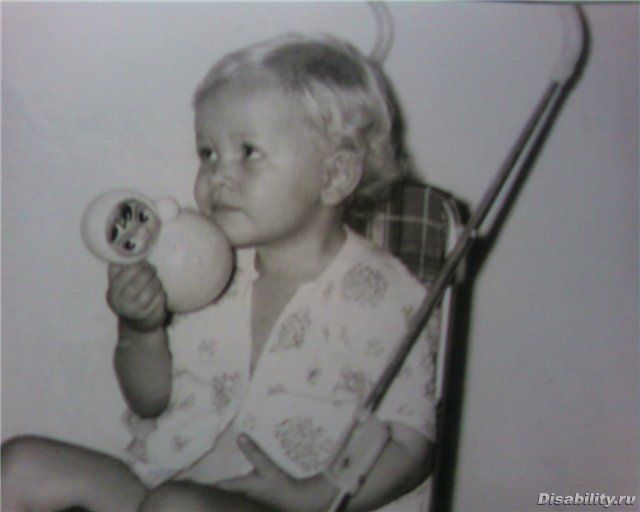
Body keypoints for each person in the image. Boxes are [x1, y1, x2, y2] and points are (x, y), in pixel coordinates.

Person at [2, 33, 438, 512]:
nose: (218, 175)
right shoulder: (202, 266)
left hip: (293, 505)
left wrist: (316, 497)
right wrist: (141, 329)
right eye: (208, 153)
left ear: (334, 176)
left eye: (248, 152)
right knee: (21, 465)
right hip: (166, 487)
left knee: (176, 506)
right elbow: (149, 401)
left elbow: (412, 445)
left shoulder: (383, 293)